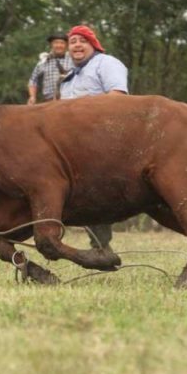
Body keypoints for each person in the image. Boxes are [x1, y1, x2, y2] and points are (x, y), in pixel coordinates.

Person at [59, 25, 128, 252]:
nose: (77, 45)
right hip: (72, 145)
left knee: (93, 191)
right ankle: (99, 246)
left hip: (102, 139)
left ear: (93, 44)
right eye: (73, 42)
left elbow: (118, 97)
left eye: (82, 41)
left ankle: (101, 245)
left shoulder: (107, 63)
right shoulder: (68, 77)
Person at [27, 32, 74, 104]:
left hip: (70, 100)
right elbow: (33, 80)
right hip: (49, 101)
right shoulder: (43, 61)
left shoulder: (73, 59)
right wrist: (32, 96)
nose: (59, 45)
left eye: (62, 43)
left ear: (66, 45)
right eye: (56, 43)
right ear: (51, 44)